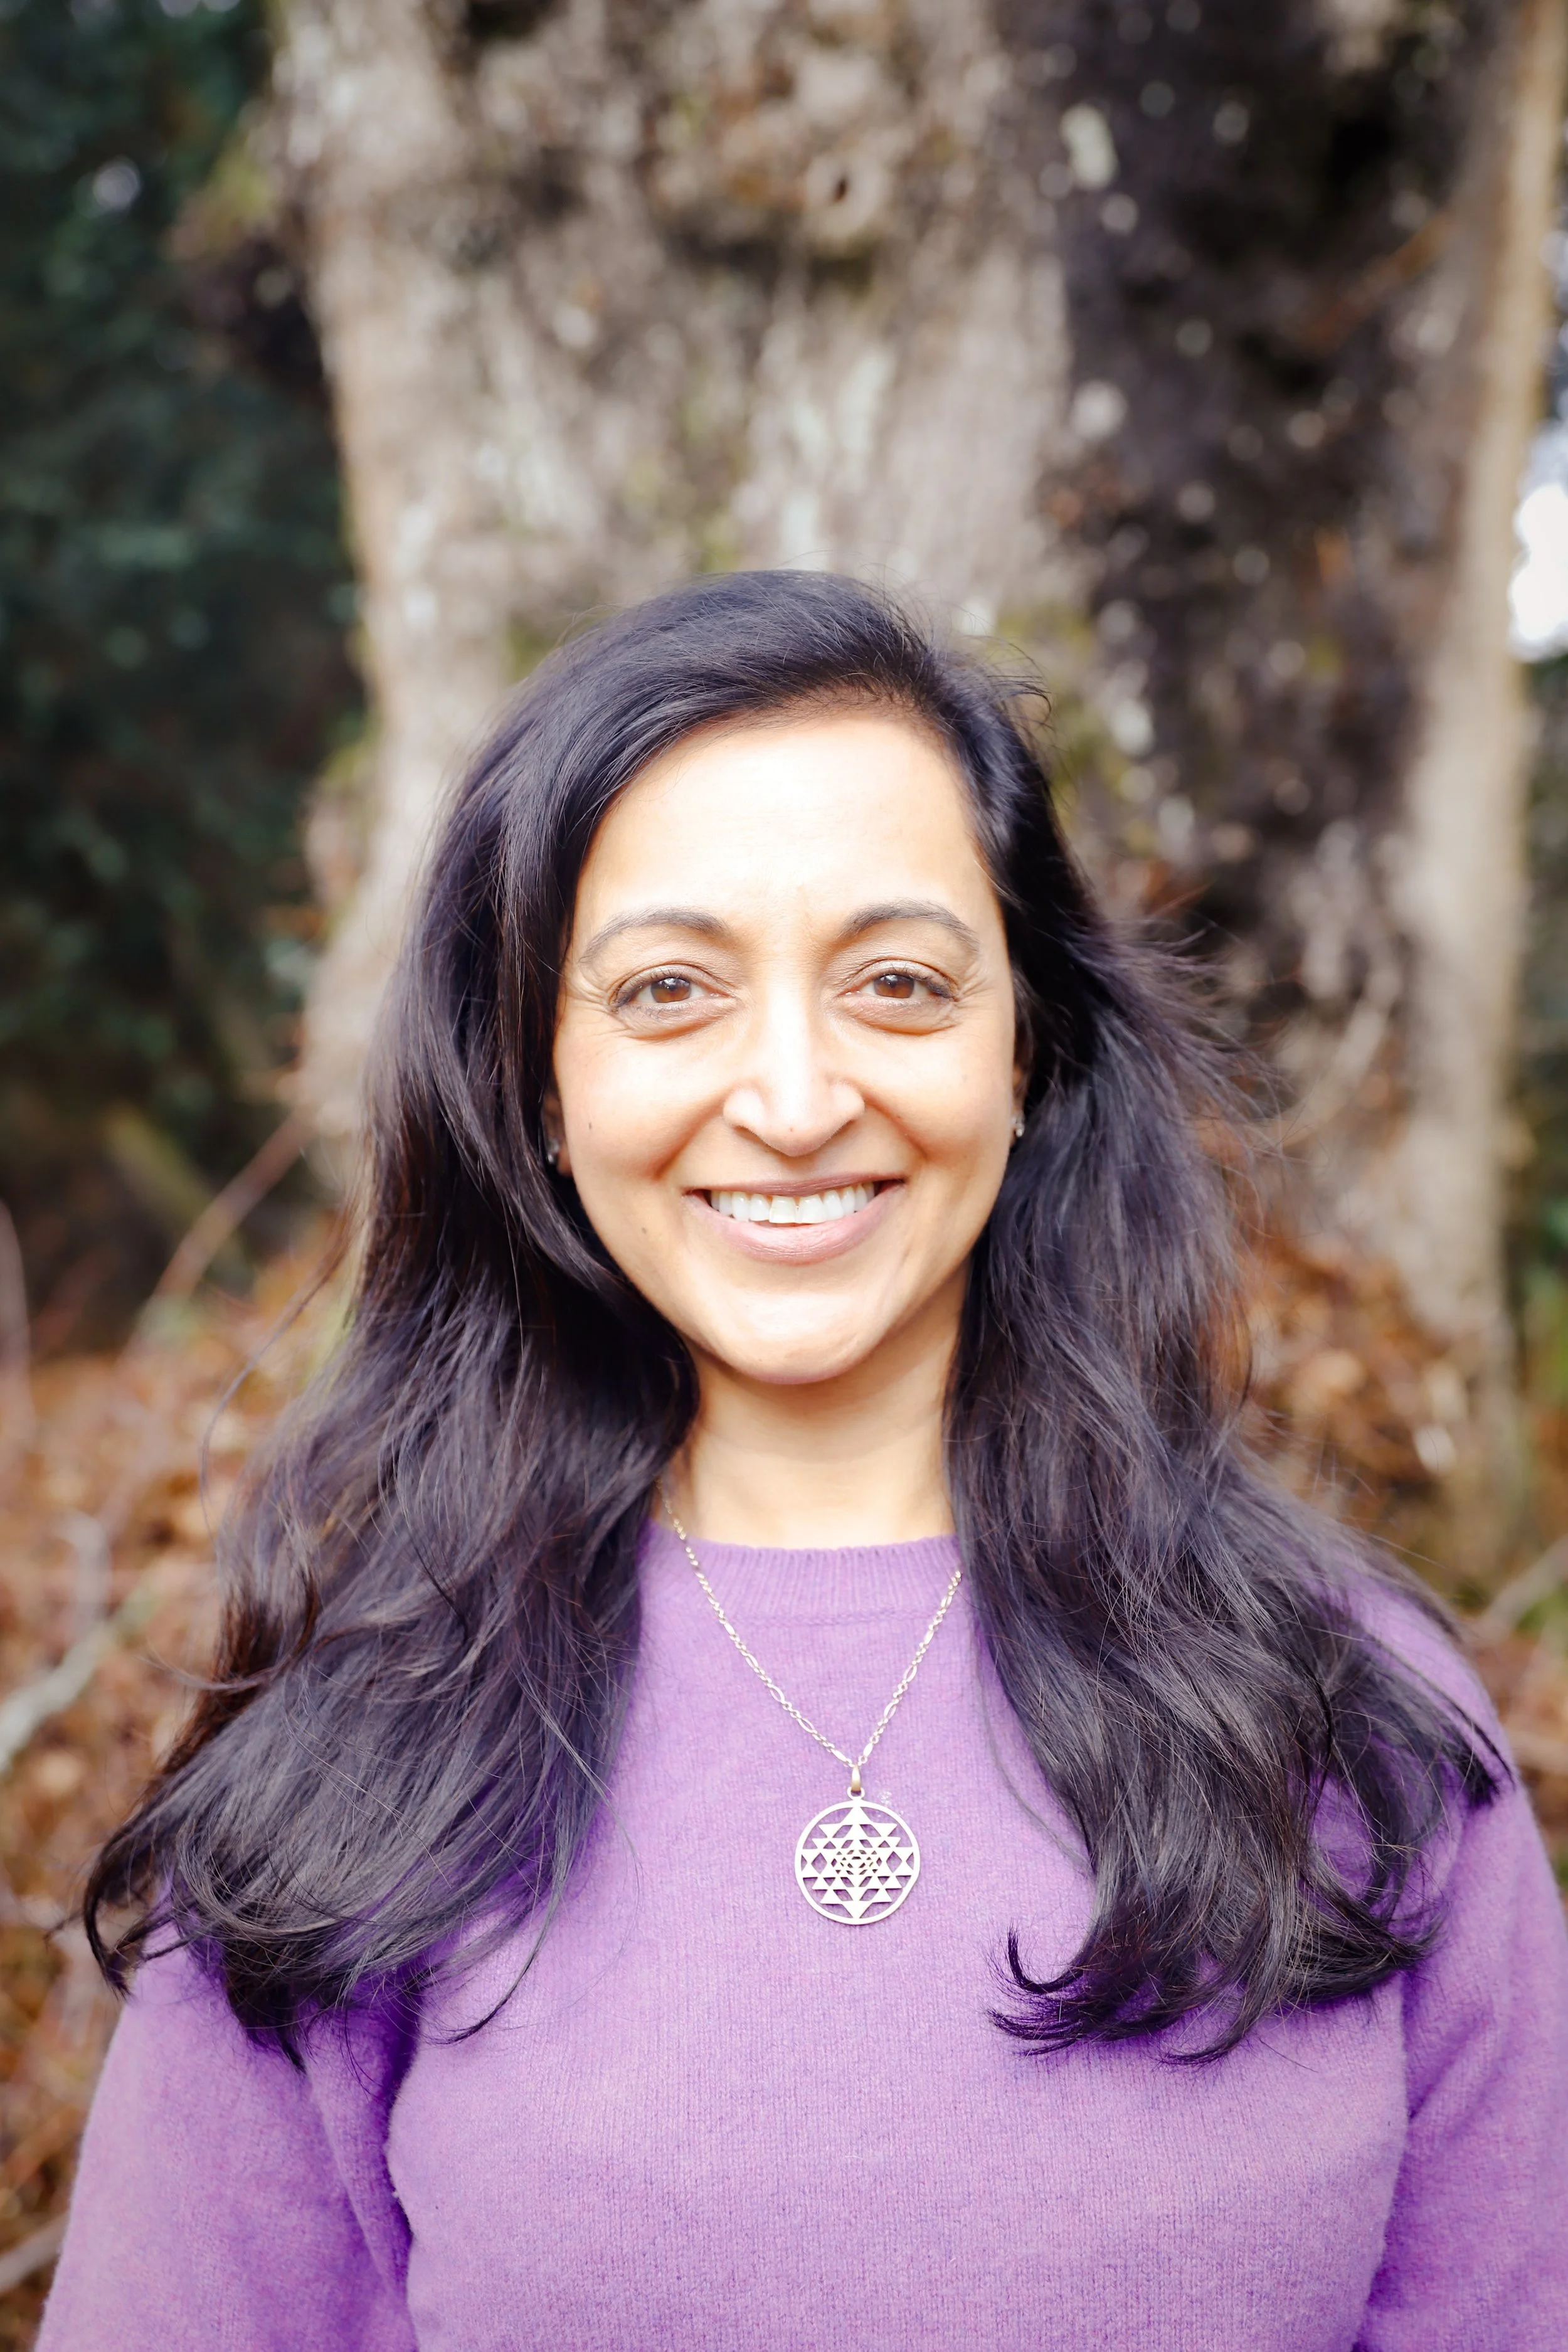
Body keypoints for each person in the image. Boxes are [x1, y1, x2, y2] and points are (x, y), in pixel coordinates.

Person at [43, 573, 1568, 2350]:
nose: (789, 1093)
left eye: (898, 981)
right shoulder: (360, 1757)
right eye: (669, 988)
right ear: (539, 1081)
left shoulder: (1348, 1711)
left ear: (1028, 1049)